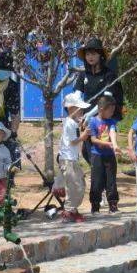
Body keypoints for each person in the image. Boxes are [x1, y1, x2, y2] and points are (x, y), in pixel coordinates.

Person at [55, 92, 90, 223]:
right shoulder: (70, 123)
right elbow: (73, 141)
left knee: (79, 183)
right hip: (68, 160)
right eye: (80, 109)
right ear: (71, 108)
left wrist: (81, 128)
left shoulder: (72, 122)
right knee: (76, 185)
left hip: (71, 159)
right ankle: (68, 210)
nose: (82, 111)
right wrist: (84, 136)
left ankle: (72, 209)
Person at [87, 94, 122, 214]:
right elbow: (93, 139)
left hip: (109, 156)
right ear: (101, 109)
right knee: (97, 181)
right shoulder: (92, 121)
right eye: (110, 110)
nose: (112, 113)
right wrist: (107, 144)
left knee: (111, 180)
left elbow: (112, 132)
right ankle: (95, 206)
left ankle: (113, 204)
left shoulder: (111, 121)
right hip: (97, 155)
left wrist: (115, 144)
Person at [75, 37, 125, 119]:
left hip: (105, 117)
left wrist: (91, 114)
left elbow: (107, 99)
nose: (90, 57)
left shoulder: (109, 75)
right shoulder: (83, 74)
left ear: (100, 55)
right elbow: (77, 95)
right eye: (87, 54)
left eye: (94, 54)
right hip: (86, 115)